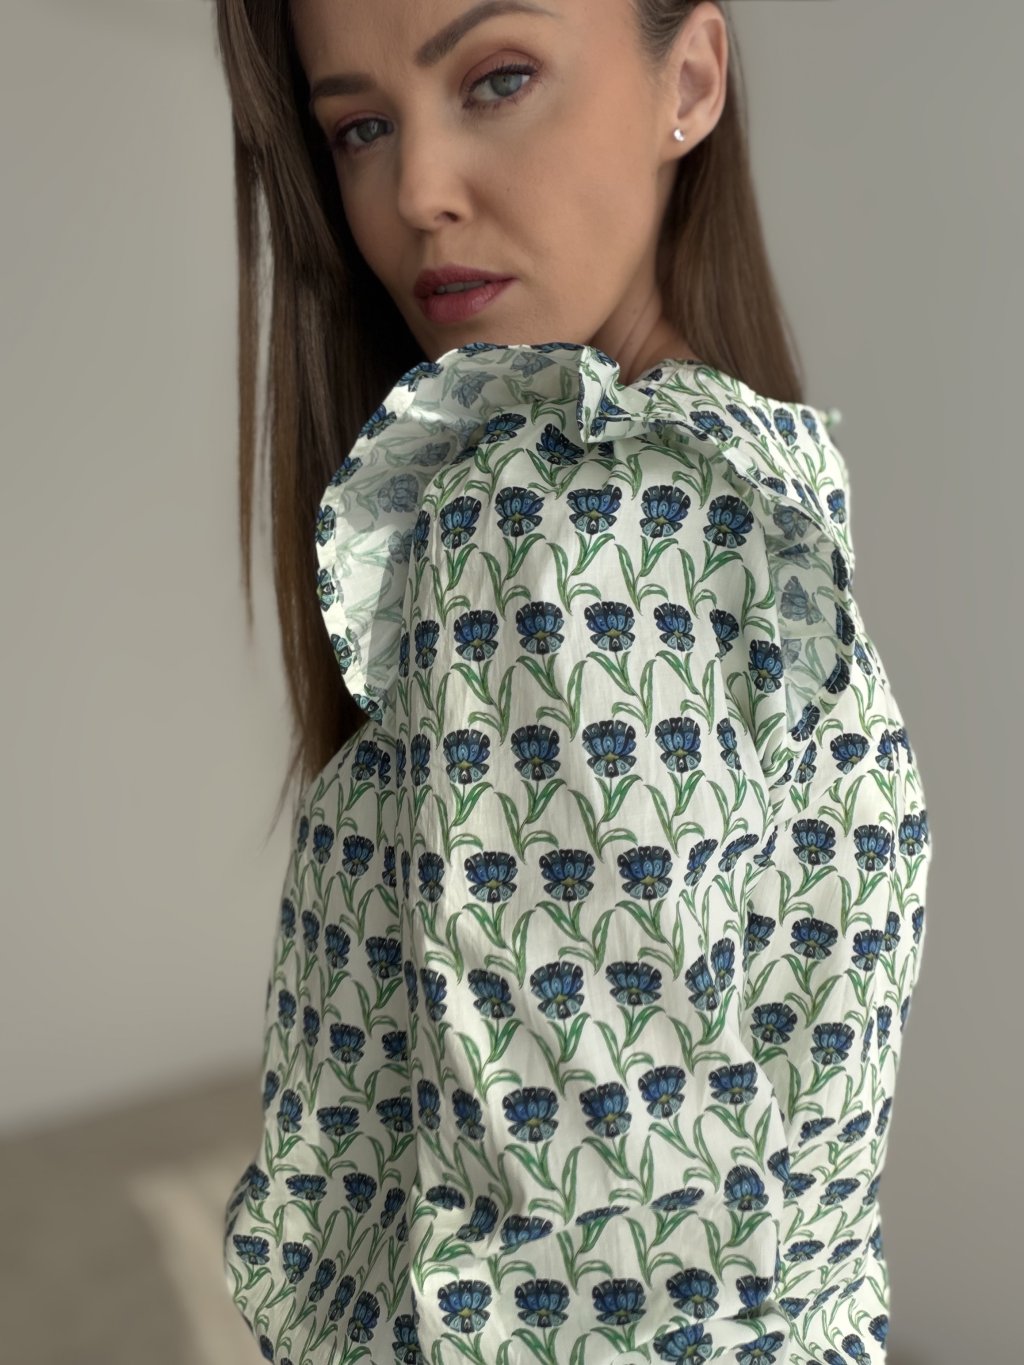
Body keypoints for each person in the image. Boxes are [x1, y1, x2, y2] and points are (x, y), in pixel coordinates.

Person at [215, 3, 933, 1363]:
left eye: (497, 79)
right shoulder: (750, 481)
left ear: (691, 78)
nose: (417, 191)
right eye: (360, 128)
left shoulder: (551, 526)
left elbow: (589, 1257)